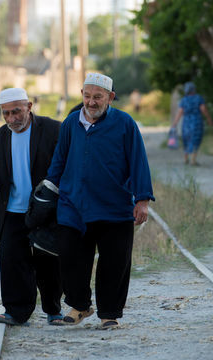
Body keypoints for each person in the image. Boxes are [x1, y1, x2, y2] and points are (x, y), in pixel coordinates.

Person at [46, 72, 155, 329]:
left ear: (110, 97)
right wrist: (49, 192)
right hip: (73, 206)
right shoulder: (71, 123)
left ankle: (109, 313)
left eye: (98, 97)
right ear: (81, 95)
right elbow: (58, 161)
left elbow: (139, 162)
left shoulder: (125, 123)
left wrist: (142, 200)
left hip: (113, 206)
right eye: (87, 96)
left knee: (115, 262)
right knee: (70, 259)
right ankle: (80, 305)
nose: (91, 102)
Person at [0, 88, 63, 326]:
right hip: (13, 211)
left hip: (44, 211)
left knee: (48, 263)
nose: (12, 119)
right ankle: (16, 312)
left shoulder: (52, 129)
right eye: (6, 114)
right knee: (13, 262)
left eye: (17, 112)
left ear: (29, 106)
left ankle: (53, 310)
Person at [171, 82, 213, 165]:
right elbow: (203, 109)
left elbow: (180, 112)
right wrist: (209, 119)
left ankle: (186, 159)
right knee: (195, 139)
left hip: (186, 122)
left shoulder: (184, 100)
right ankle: (193, 160)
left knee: (186, 139)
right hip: (197, 122)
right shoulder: (198, 98)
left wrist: (174, 123)